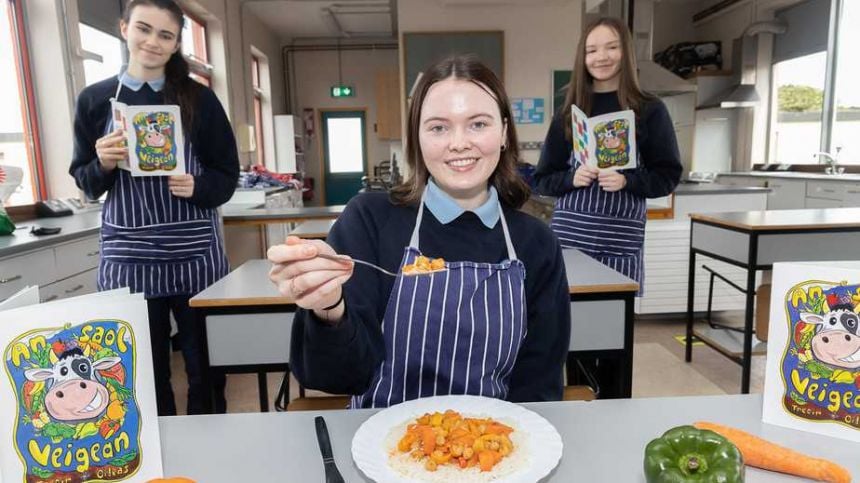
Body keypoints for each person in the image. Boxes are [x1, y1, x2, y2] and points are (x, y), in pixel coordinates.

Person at [268, 55, 570, 409]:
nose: (459, 143)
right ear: (418, 138)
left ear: (504, 132)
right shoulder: (370, 220)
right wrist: (329, 307)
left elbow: (538, 388)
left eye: (478, 124)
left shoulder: (536, 243)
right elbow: (336, 377)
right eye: (438, 127)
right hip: (381, 444)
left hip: (492, 448)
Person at [70, 0, 239, 415]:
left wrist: (198, 186)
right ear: (124, 28)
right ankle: (159, 462)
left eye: (165, 35)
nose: (152, 41)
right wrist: (104, 162)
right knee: (142, 371)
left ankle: (209, 450)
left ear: (177, 43)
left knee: (206, 365)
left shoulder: (200, 100)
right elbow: (86, 182)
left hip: (194, 253)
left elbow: (226, 176)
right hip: (130, 255)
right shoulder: (95, 101)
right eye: (144, 29)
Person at [534, 17, 682, 292]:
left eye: (611, 47)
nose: (601, 57)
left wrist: (629, 181)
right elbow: (542, 179)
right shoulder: (569, 111)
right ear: (583, 57)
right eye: (591, 50)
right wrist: (571, 178)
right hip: (570, 240)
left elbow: (668, 176)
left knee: (615, 324)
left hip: (620, 243)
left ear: (625, 52)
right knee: (567, 325)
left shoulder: (649, 109)